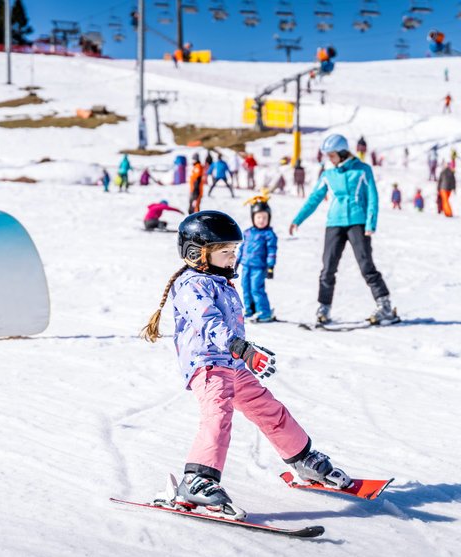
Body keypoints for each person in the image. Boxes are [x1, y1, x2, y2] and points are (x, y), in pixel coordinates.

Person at [140, 210, 352, 519]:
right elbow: (209, 323)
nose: (232, 258)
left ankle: (302, 459)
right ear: (196, 253)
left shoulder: (219, 281)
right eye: (225, 252)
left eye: (234, 251)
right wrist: (239, 346)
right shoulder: (192, 286)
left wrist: (245, 352)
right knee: (218, 416)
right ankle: (197, 479)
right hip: (208, 367)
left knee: (269, 409)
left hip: (232, 365)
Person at [290, 134, 399, 326]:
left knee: (366, 266)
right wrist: (298, 219)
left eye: (331, 155)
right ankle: (324, 307)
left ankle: (385, 306)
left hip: (358, 222)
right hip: (334, 222)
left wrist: (370, 223)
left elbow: (373, 197)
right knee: (328, 268)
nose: (329, 159)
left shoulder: (363, 170)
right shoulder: (328, 174)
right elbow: (314, 198)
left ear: (342, 152)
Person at [237, 199, 278, 323]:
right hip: (246, 266)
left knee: (256, 288)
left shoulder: (269, 234)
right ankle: (250, 311)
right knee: (245, 287)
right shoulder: (247, 233)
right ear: (253, 218)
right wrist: (236, 262)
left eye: (264, 217)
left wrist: (270, 266)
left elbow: (272, 251)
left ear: (269, 218)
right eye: (258, 217)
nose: (261, 220)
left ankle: (264, 312)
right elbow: (242, 249)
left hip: (259, 267)